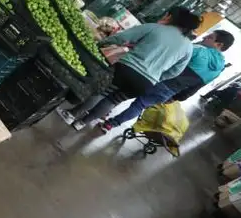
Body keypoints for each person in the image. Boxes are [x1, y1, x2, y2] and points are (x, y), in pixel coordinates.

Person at [69, 7, 202, 130]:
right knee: (114, 100)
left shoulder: (155, 28)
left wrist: (101, 43)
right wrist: (157, 77)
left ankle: (72, 115)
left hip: (126, 69)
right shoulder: (188, 48)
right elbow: (176, 71)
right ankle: (82, 123)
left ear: (171, 17)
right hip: (145, 83)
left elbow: (122, 38)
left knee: (101, 92)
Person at [96, 30, 236, 133]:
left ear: (219, 44)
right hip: (169, 91)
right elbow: (196, 87)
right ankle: (111, 124)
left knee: (122, 92)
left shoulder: (199, 50)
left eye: (210, 37)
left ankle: (103, 111)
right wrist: (177, 97)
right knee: (139, 106)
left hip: (156, 78)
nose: (205, 37)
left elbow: (171, 57)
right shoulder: (218, 69)